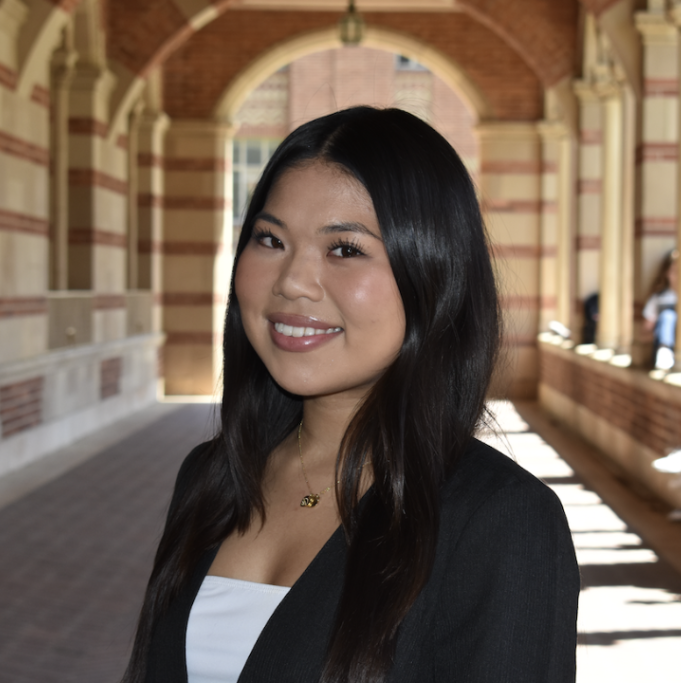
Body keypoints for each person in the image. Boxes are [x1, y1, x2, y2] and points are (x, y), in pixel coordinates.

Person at [122, 107, 579, 683]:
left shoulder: (501, 520)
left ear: (434, 276)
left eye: (344, 249)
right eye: (270, 239)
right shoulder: (211, 476)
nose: (292, 281)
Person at [643, 249, 678, 370]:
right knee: (668, 316)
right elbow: (645, 333)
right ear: (667, 273)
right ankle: (664, 351)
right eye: (674, 271)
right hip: (667, 344)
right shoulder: (658, 298)